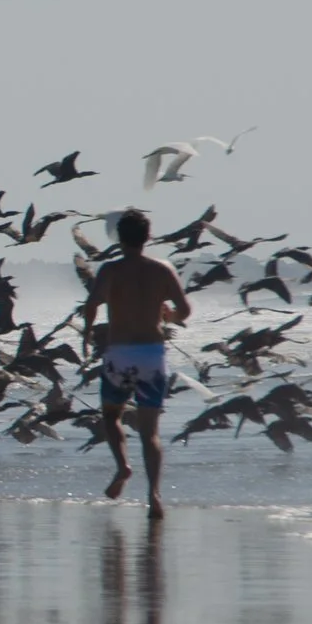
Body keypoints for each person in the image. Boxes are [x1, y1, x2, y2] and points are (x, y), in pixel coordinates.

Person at [81, 207, 190, 520]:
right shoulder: (163, 269)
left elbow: (92, 304)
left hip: (120, 354)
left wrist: (87, 333)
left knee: (111, 416)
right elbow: (184, 310)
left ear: (119, 238)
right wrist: (170, 316)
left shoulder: (110, 270)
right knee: (150, 431)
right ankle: (154, 495)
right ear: (148, 237)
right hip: (152, 354)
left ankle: (123, 466)